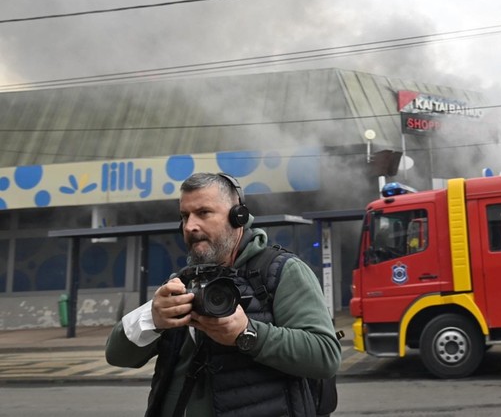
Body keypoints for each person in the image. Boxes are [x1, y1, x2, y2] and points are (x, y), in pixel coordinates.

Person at [105, 172, 341, 417]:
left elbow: (325, 355)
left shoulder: (282, 271)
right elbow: (116, 354)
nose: (190, 226)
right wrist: (153, 318)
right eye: (185, 216)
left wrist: (248, 334)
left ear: (238, 217)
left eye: (203, 213)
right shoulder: (181, 282)